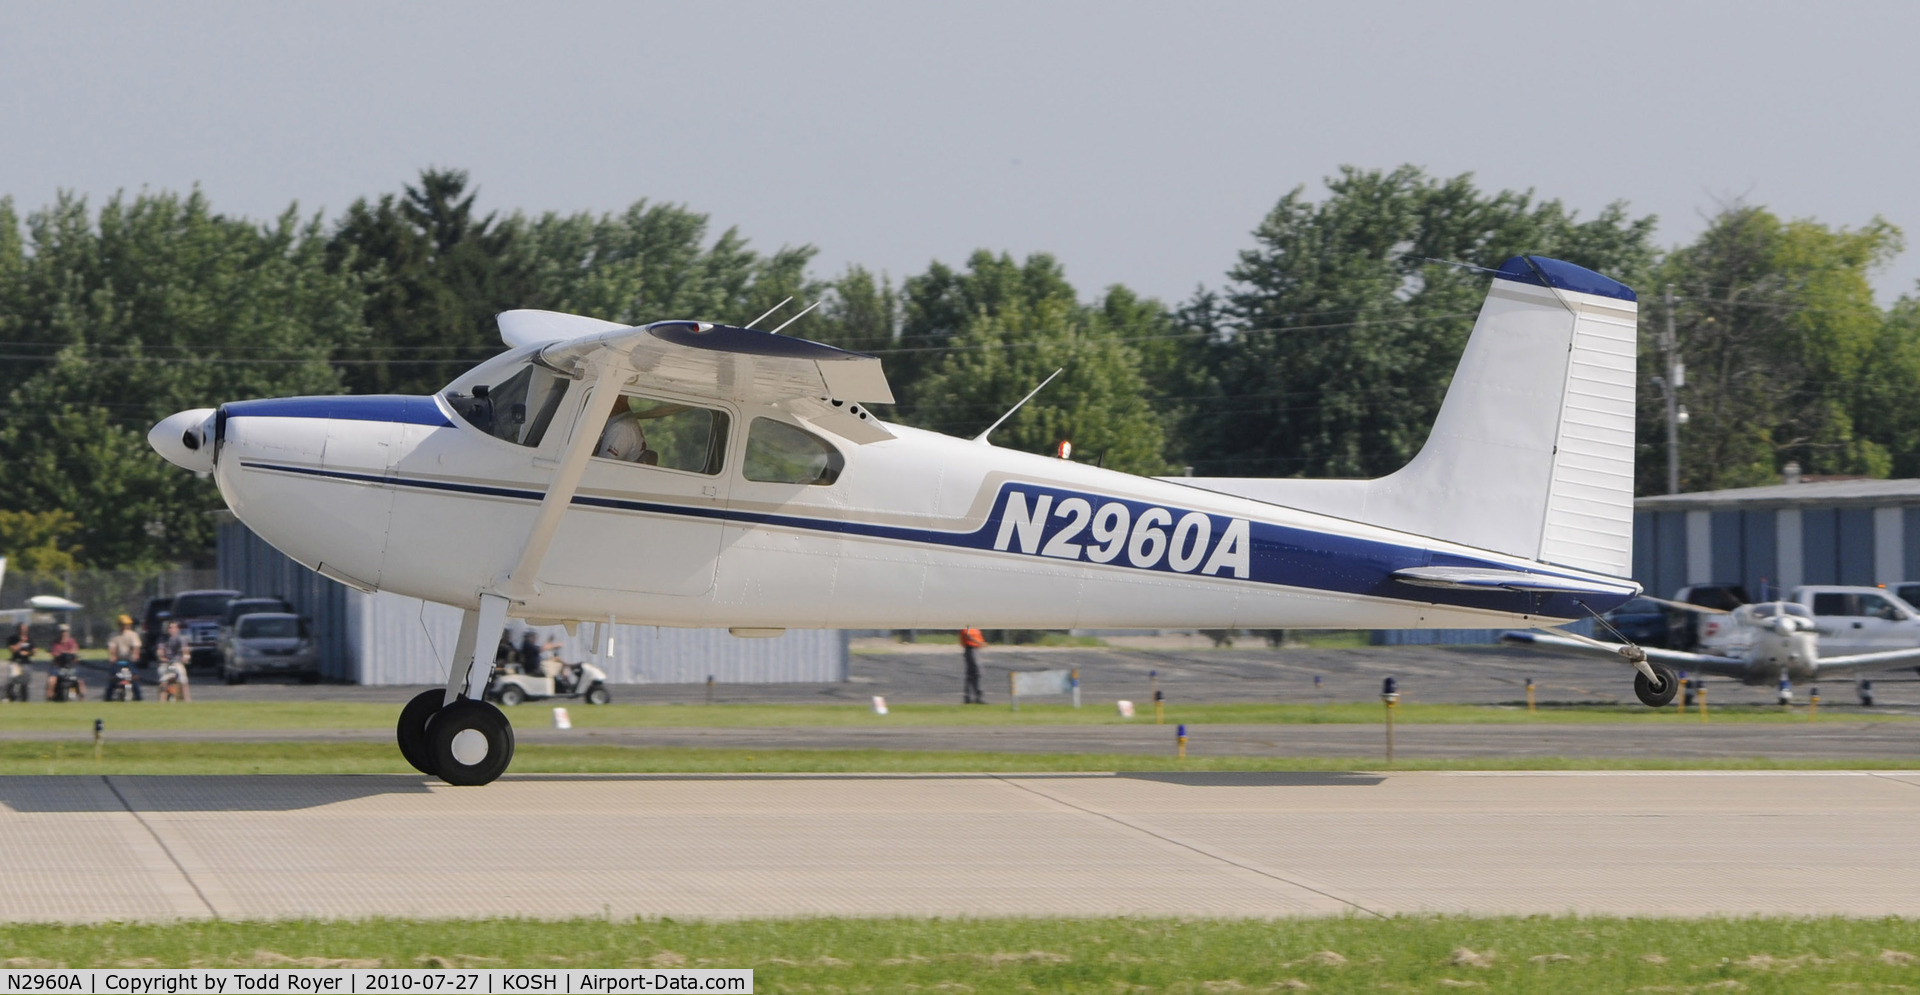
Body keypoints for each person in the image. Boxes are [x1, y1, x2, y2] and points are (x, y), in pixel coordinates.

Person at [46, 623, 84, 701]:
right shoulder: (55, 642)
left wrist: (67, 653)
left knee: (78, 681)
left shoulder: (72, 641)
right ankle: (50, 696)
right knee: (52, 680)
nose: (64, 633)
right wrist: (62, 654)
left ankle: (80, 697)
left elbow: (75, 650)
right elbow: (54, 653)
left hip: (70, 666)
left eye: (65, 631)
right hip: (58, 666)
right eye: (62, 631)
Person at [157, 621, 191, 702]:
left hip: (177, 662)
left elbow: (185, 650)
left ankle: (187, 700)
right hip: (166, 663)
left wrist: (185, 657)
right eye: (170, 627)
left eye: (173, 627)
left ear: (177, 629)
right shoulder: (162, 639)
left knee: (183, 679)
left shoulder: (181, 638)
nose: (171, 629)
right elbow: (160, 651)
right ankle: (162, 701)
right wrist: (161, 657)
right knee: (163, 680)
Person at [959, 627, 986, 704]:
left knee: (972, 674)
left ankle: (971, 697)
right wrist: (980, 643)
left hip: (975, 649)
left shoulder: (975, 627)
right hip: (970, 649)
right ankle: (974, 696)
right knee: (977, 672)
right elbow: (969, 636)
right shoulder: (967, 627)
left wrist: (980, 643)